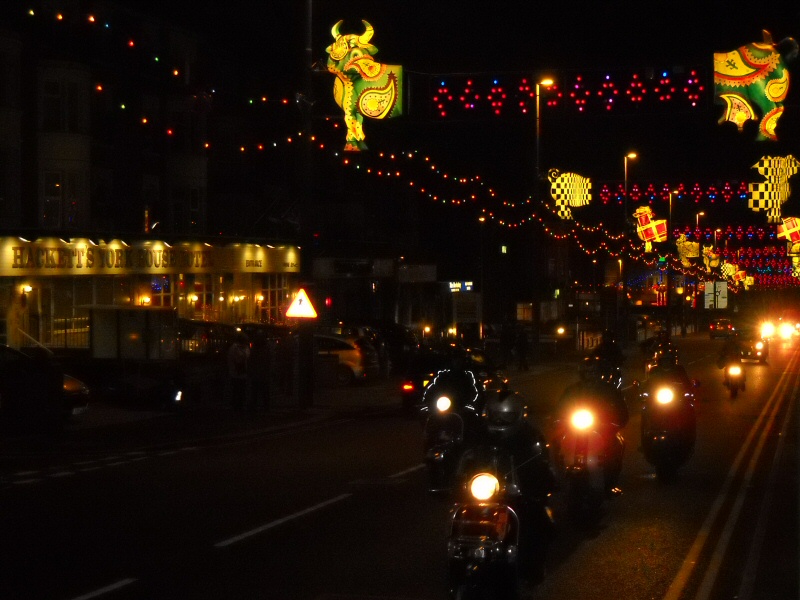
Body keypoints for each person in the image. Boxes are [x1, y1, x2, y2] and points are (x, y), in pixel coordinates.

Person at [556, 360, 629, 493]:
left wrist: (615, 422)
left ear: (599, 373)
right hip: (576, 428)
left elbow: (620, 409)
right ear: (582, 374)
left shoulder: (609, 390)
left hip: (602, 428)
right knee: (557, 444)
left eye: (593, 372)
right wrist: (558, 419)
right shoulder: (573, 390)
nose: (590, 375)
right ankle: (559, 479)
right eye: (587, 372)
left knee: (615, 446)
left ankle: (610, 482)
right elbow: (561, 408)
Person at [248, 331, 272, 411]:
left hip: (256, 372)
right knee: (264, 391)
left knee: (255, 391)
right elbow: (269, 360)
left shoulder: (254, 348)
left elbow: (251, 360)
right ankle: (265, 406)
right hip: (263, 372)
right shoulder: (266, 348)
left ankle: (254, 406)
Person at [227, 333, 249, 410]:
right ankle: (236, 406)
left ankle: (239, 405)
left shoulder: (244, 348)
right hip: (236, 372)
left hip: (242, 372)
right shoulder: (235, 348)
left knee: (241, 390)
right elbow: (237, 359)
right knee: (237, 390)